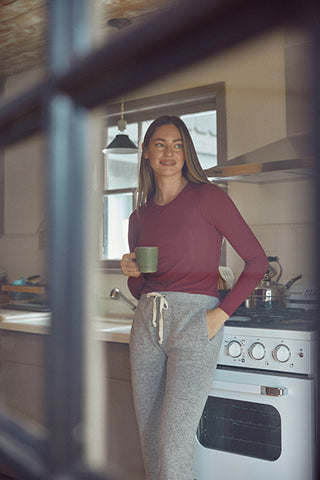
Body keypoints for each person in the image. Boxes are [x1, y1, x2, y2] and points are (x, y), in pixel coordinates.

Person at [120, 115, 268, 480]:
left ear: (187, 153)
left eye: (178, 145)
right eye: (159, 144)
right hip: (146, 326)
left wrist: (219, 315)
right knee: (151, 440)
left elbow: (257, 261)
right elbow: (142, 290)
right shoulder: (138, 218)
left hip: (196, 322)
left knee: (173, 441)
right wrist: (132, 274)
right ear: (146, 153)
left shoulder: (208, 198)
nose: (169, 152)